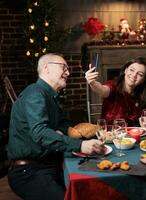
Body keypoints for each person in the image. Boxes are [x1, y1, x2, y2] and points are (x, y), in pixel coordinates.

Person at [7, 53, 105, 200]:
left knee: (92, 188)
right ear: (46, 68)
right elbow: (40, 133)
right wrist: (80, 145)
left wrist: (87, 134)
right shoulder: (35, 93)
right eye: (63, 67)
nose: (68, 72)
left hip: (49, 164)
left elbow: (65, 125)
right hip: (28, 171)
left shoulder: (51, 97)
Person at [85, 57, 146, 126]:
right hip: (110, 134)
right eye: (132, 70)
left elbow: (143, 122)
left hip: (133, 135)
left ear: (143, 80)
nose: (134, 75)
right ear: (125, 70)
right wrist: (92, 82)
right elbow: (102, 90)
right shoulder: (113, 86)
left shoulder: (141, 94)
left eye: (140, 74)